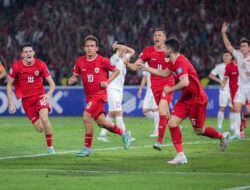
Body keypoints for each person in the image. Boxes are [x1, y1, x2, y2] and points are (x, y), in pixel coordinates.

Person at [141, 38, 230, 164]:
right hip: (186, 98)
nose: (163, 50)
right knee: (172, 123)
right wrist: (147, 68)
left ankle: (222, 136)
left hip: (197, 99)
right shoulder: (173, 61)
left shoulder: (180, 62)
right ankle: (181, 155)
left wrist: (169, 89)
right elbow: (165, 73)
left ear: (170, 50)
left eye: (165, 48)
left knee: (199, 130)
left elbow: (185, 82)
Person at [68, 35, 130, 157]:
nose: (89, 48)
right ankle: (123, 133)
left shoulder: (102, 60)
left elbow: (116, 70)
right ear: (84, 48)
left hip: (99, 95)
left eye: (92, 46)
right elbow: (75, 76)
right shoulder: (80, 61)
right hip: (89, 96)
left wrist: (107, 81)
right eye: (87, 46)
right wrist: (72, 80)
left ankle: (87, 148)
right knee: (102, 123)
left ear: (97, 48)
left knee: (86, 117)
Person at [125, 28, 175, 150]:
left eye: (159, 35)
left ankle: (159, 141)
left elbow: (175, 66)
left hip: (167, 85)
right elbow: (135, 66)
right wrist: (127, 63)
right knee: (166, 115)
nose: (157, 37)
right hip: (155, 87)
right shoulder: (148, 51)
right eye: (155, 35)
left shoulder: (170, 51)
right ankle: (175, 123)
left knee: (162, 111)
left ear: (164, 38)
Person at [7, 43, 56, 154]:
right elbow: (9, 84)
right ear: (22, 54)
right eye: (26, 52)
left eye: (30, 51)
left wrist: (48, 95)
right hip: (26, 101)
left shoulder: (41, 64)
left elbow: (52, 84)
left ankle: (50, 148)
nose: (28, 53)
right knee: (40, 128)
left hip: (40, 97)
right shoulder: (16, 67)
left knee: (44, 119)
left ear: (33, 53)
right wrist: (11, 103)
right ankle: (47, 131)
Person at [97, 42, 135, 142]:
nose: (125, 51)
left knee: (112, 113)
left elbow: (133, 51)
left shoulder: (124, 58)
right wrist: (117, 47)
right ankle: (125, 135)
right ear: (118, 50)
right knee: (119, 112)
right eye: (122, 49)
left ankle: (101, 135)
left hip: (119, 90)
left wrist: (120, 47)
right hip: (112, 88)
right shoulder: (113, 58)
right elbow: (123, 51)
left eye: (124, 50)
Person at [221, 22, 250, 140]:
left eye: (245, 46)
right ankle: (238, 133)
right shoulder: (238, 55)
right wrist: (223, 33)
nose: (242, 48)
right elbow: (228, 46)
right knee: (236, 108)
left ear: (249, 48)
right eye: (241, 46)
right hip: (242, 87)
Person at [209, 51, 234, 132]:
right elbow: (211, 75)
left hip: (234, 90)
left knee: (233, 109)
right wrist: (219, 80)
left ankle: (232, 126)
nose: (225, 57)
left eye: (227, 55)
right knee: (222, 108)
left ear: (231, 56)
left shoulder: (235, 65)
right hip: (224, 90)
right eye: (224, 56)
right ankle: (219, 127)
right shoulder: (219, 66)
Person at [137, 62, 159, 137]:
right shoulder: (147, 63)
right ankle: (163, 121)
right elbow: (145, 77)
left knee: (156, 109)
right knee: (145, 110)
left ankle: (157, 131)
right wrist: (140, 89)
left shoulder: (160, 60)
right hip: (149, 91)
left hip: (158, 89)